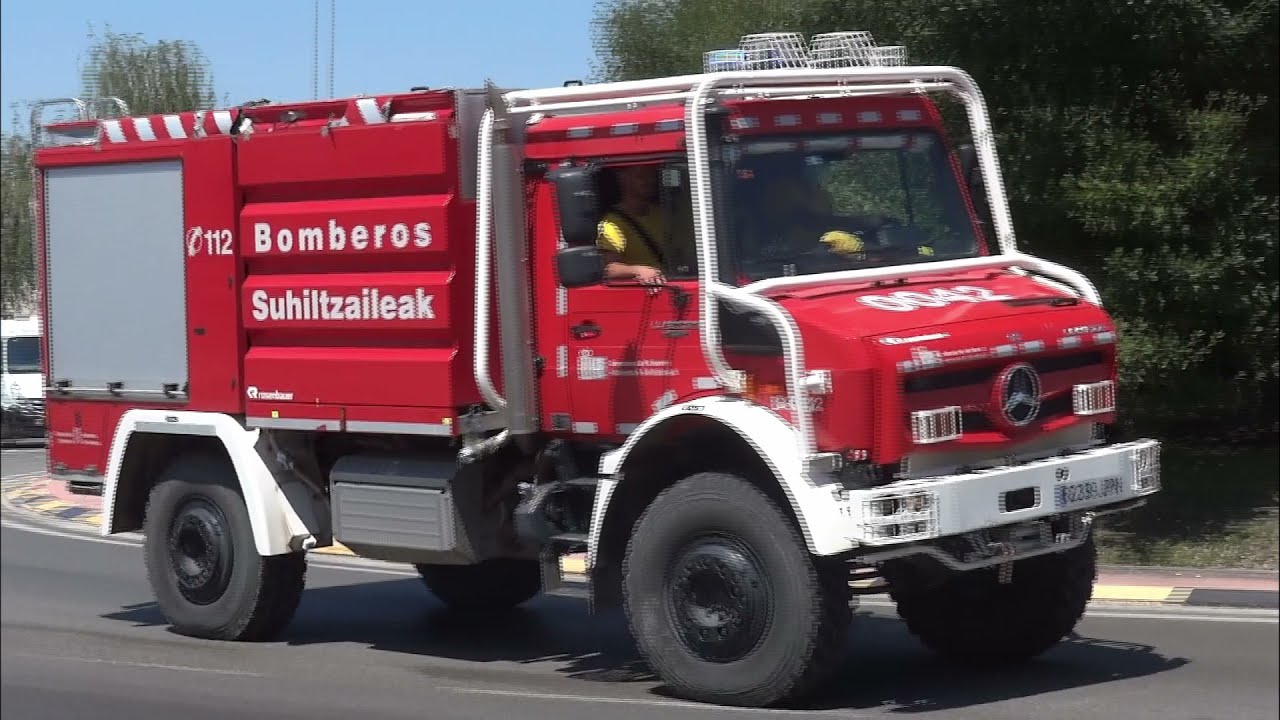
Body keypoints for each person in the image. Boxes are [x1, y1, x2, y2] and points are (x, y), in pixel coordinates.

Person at [596, 164, 669, 285]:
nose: (649, 181)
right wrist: (638, 270)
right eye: (641, 176)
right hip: (644, 292)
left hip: (671, 284)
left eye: (652, 176)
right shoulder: (612, 223)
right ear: (623, 178)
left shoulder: (662, 214)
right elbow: (607, 268)